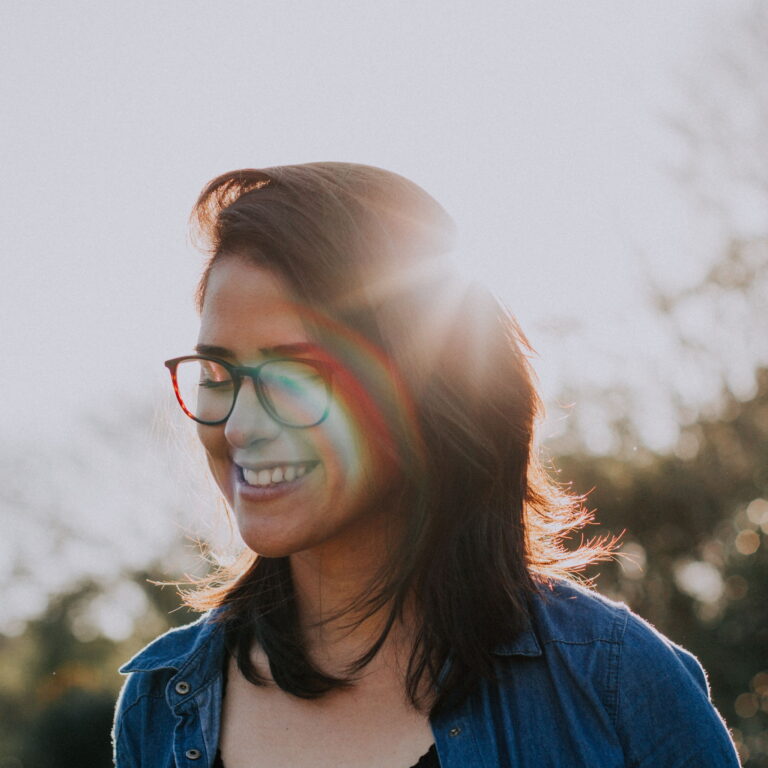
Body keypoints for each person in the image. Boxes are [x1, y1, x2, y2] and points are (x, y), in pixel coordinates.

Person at [112, 162, 740, 767]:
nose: (241, 424)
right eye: (218, 372)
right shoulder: (161, 707)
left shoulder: (616, 683)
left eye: (295, 373)